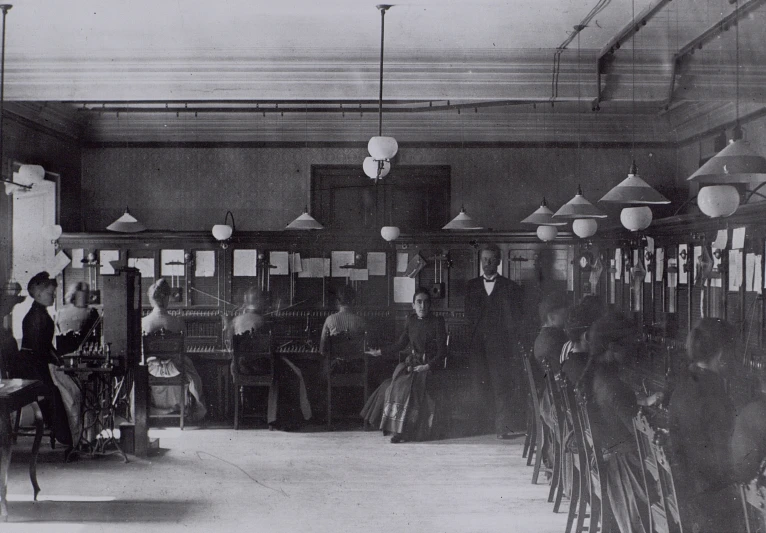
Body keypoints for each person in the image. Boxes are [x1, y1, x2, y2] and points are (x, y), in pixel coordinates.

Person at [668, 318, 746, 533]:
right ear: (722, 355)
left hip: (686, 492)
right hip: (710, 502)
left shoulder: (681, 388)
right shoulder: (715, 396)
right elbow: (725, 462)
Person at [584, 314, 654, 533]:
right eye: (629, 345)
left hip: (609, 460)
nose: (633, 351)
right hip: (626, 471)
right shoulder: (614, 386)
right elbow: (640, 434)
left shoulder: (596, 375)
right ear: (613, 348)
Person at [363, 288, 447, 443]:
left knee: (410, 387)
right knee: (393, 385)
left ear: (430, 305)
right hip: (412, 364)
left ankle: (407, 431)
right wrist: (380, 352)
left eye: (426, 302)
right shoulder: (411, 320)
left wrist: (427, 366)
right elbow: (400, 344)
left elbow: (442, 353)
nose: (423, 306)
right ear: (413, 305)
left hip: (429, 367)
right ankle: (397, 429)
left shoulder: (437, 321)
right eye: (419, 302)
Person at [226, 286, 311, 430]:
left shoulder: (235, 321)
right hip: (261, 369)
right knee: (292, 373)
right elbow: (272, 348)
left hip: (240, 369)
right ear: (259, 302)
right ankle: (279, 417)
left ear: (246, 301)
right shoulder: (263, 321)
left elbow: (229, 347)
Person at [464, 243, 523, 438]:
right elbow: (468, 319)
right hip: (477, 347)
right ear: (480, 261)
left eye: (491, 260)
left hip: (501, 347)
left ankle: (502, 429)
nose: (487, 263)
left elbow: (514, 321)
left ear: (498, 261)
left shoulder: (511, 287)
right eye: (484, 260)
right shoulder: (471, 287)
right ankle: (482, 427)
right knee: (479, 387)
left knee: (501, 387)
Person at [13, 272, 74, 451]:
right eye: (50, 293)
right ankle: (66, 438)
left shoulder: (40, 313)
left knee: (62, 390)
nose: (54, 296)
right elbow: (40, 350)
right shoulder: (37, 317)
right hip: (31, 368)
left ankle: (67, 436)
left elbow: (46, 347)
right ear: (38, 295)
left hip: (35, 364)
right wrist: (57, 362)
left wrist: (58, 360)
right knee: (56, 393)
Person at [142, 278, 207, 422]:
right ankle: (191, 411)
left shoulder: (143, 322)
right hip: (176, 370)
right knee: (194, 374)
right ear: (167, 299)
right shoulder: (178, 322)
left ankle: (147, 411)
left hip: (151, 371)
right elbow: (184, 350)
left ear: (151, 300)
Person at [55, 282, 100, 352]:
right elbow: (98, 338)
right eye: (87, 293)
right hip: (84, 354)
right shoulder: (91, 312)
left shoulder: (59, 313)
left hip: (63, 355)